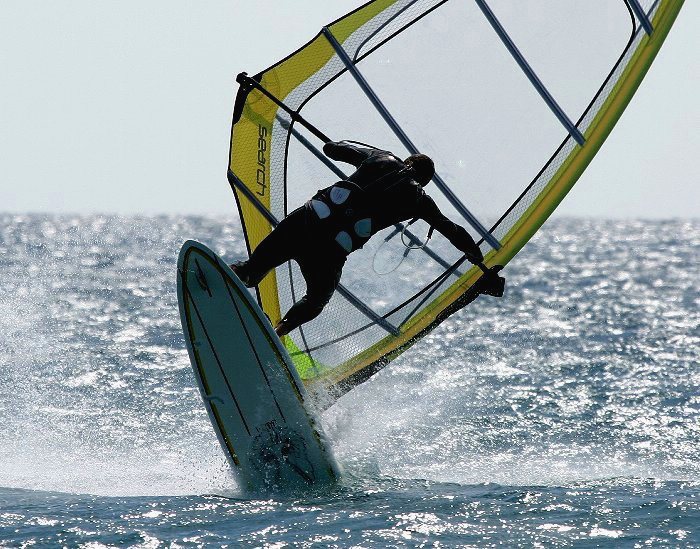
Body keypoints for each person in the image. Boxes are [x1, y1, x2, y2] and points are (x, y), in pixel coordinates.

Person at [232, 140, 484, 336]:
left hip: (306, 222)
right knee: (315, 301)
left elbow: (332, 149)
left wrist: (350, 149)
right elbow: (453, 231)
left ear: (407, 161)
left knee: (253, 270)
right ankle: (279, 331)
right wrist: (478, 258)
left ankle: (240, 273)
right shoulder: (420, 201)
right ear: (424, 182)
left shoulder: (380, 158)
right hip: (329, 252)